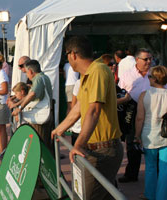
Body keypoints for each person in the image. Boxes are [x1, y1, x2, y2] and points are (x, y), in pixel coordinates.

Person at [51, 36, 123, 199]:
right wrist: (60, 129)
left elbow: (93, 110)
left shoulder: (97, 71)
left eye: (66, 55)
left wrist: (78, 144)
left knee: (86, 196)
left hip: (103, 150)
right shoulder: (87, 75)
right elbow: (79, 109)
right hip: (96, 149)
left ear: (73, 55)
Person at [118, 48, 152, 183]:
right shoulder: (127, 75)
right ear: (137, 60)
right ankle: (131, 174)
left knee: (152, 143)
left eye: (150, 58)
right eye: (146, 59)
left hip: (151, 112)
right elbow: (121, 92)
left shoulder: (154, 74)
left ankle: (155, 175)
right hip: (133, 111)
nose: (149, 61)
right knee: (132, 143)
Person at [134, 66, 167, 200]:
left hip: (149, 135)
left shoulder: (145, 95)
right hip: (165, 136)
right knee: (165, 169)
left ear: (153, 79)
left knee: (150, 167)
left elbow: (140, 118)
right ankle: (162, 196)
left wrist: (137, 135)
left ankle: (150, 194)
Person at [11, 60, 53, 153]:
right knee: (46, 145)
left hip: (40, 119)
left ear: (30, 71)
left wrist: (20, 108)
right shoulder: (44, 77)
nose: (26, 75)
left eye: (26, 72)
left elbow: (32, 94)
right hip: (47, 114)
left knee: (40, 145)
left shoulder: (38, 78)